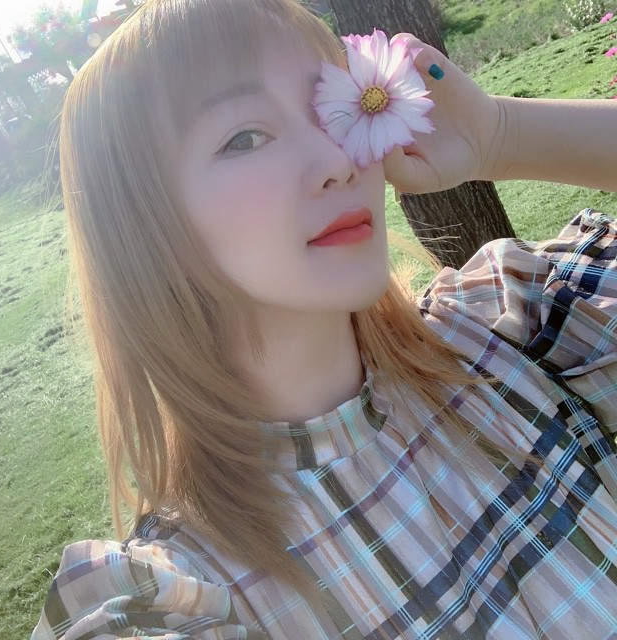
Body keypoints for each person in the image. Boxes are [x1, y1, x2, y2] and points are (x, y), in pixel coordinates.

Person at [31, 0, 617, 637]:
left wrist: (500, 134)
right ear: (140, 228)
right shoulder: (182, 593)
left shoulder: (510, 325)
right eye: (245, 137)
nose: (340, 161)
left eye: (334, 104)